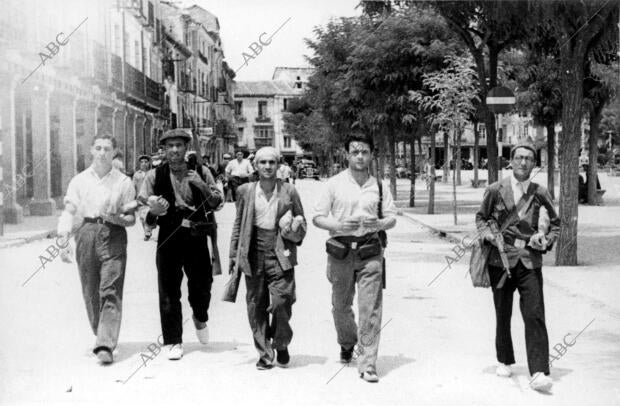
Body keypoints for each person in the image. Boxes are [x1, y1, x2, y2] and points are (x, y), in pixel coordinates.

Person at [475, 140, 560, 393]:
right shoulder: (494, 189)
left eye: (529, 159)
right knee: (503, 312)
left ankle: (538, 371)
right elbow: (481, 218)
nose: (524, 162)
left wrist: (546, 240)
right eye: (520, 157)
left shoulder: (540, 192)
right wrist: (487, 235)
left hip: (530, 259)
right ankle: (504, 358)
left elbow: (555, 223)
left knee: (534, 313)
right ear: (511, 161)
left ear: (535, 164)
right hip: (500, 259)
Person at [313, 132, 397, 383]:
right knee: (341, 306)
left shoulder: (379, 185)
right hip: (340, 251)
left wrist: (379, 223)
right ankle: (347, 342)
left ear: (372, 154)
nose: (360, 156)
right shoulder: (333, 184)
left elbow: (391, 217)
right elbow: (318, 217)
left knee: (370, 309)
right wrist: (339, 225)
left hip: (370, 252)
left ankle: (368, 363)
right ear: (346, 154)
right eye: (355, 151)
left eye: (365, 152)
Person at [139, 129, 223, 360]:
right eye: (170, 146)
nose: (175, 150)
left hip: (195, 232)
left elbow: (217, 202)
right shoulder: (154, 176)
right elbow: (143, 207)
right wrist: (152, 212)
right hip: (169, 233)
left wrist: (202, 185)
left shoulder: (202, 171)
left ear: (187, 148)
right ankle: (173, 340)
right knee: (168, 290)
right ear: (163, 150)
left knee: (202, 285)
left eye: (179, 145)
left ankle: (200, 316)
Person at [56, 133, 136, 365]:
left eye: (107, 149)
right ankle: (101, 331)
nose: (102, 153)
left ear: (114, 152)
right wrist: (63, 239)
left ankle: (105, 343)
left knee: (110, 289)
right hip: (87, 234)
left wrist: (117, 218)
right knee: (90, 290)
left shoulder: (123, 182)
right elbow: (70, 211)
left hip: (114, 234)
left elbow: (131, 220)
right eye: (98, 148)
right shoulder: (79, 180)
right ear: (91, 150)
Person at [229, 147, 307, 370]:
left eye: (272, 162)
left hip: (281, 250)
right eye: (262, 162)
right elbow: (238, 224)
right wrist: (234, 255)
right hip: (253, 250)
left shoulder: (289, 191)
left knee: (283, 300)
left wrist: (293, 229)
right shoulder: (245, 191)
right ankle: (264, 352)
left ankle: (281, 342)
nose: (267, 166)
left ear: (279, 165)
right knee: (256, 303)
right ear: (255, 166)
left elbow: (303, 223)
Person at [133, 155, 153, 240]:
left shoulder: (152, 173)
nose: (144, 164)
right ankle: (147, 231)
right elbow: (133, 187)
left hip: (150, 198)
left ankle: (148, 230)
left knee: (149, 215)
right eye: (142, 162)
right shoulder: (137, 175)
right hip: (140, 199)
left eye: (146, 162)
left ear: (149, 163)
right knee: (142, 216)